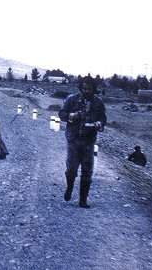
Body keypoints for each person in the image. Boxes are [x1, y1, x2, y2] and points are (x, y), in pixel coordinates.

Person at [58, 78, 107, 208]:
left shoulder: (98, 103)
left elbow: (103, 118)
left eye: (89, 89)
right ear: (80, 88)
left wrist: (99, 124)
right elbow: (61, 114)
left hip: (89, 141)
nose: (86, 91)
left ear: (93, 90)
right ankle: (69, 188)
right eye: (84, 88)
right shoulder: (71, 99)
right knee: (71, 170)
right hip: (73, 140)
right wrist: (71, 116)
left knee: (87, 171)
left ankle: (83, 200)